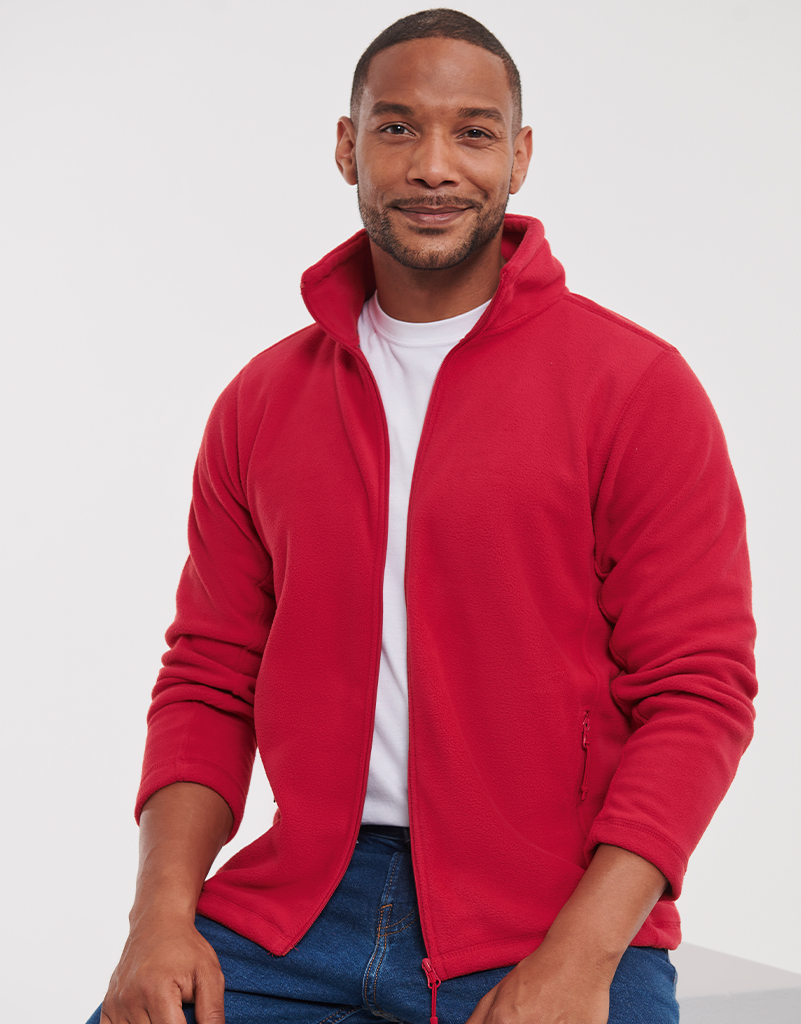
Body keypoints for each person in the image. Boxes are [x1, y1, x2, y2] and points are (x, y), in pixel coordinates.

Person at [89, 9, 756, 1024]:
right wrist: (157, 921)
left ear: (518, 157)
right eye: (397, 127)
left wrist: (580, 957)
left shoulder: (634, 388)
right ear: (347, 147)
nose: (433, 166)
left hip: (552, 912)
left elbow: (698, 693)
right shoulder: (262, 403)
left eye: (473, 133)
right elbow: (208, 678)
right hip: (298, 912)